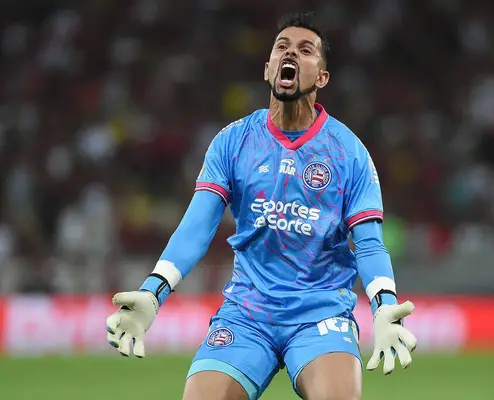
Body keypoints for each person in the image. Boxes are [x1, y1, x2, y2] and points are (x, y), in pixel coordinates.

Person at [105, 11, 417, 400]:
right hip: (248, 312)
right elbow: (197, 227)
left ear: (321, 77)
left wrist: (383, 305)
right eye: (282, 47)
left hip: (320, 313)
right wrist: (153, 292)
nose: (291, 54)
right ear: (268, 69)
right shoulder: (232, 142)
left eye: (306, 50)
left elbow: (369, 243)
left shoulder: (348, 152)